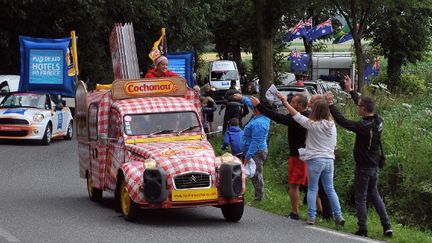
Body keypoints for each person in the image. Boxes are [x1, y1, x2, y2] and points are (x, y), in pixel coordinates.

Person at [326, 75, 393, 237]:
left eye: (359, 106)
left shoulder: (363, 126)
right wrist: (350, 91)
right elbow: (361, 102)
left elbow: (343, 121)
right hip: (374, 166)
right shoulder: (378, 120)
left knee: (361, 197)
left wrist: (331, 105)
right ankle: (387, 226)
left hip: (363, 167)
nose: (357, 107)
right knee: (375, 194)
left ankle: (362, 228)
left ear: (364, 109)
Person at [276, 91, 345, 226]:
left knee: (312, 189)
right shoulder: (332, 125)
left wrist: (285, 102)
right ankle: (338, 215)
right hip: (329, 159)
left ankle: (311, 216)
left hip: (315, 159)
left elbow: (296, 116)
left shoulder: (312, 125)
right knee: (330, 189)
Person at [249, 94, 309, 220]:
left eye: (293, 102)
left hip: (297, 156)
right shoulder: (308, 115)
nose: (290, 104)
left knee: (294, 184)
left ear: (300, 106)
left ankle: (295, 213)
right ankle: (320, 212)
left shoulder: (296, 119)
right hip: (309, 155)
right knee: (313, 185)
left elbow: (277, 117)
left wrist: (259, 105)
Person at [233, 93, 270, 201]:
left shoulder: (259, 123)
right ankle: (258, 196)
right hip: (253, 151)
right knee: (255, 174)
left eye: (254, 107)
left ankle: (259, 197)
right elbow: (251, 105)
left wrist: (248, 157)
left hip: (256, 152)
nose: (251, 107)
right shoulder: (260, 114)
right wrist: (242, 99)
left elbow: (256, 142)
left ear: (256, 109)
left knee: (256, 174)